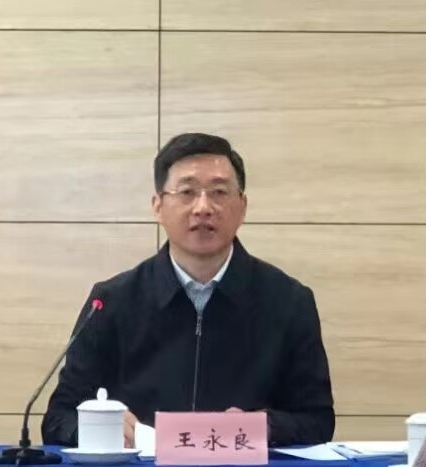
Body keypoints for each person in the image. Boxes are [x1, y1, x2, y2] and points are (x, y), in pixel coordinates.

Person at [42, 133, 335, 448]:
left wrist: (263, 427)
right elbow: (58, 419)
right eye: (187, 192)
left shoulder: (288, 302)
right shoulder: (111, 302)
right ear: (158, 206)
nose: (203, 207)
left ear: (242, 207)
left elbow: (317, 421)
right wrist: (97, 427)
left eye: (219, 192)